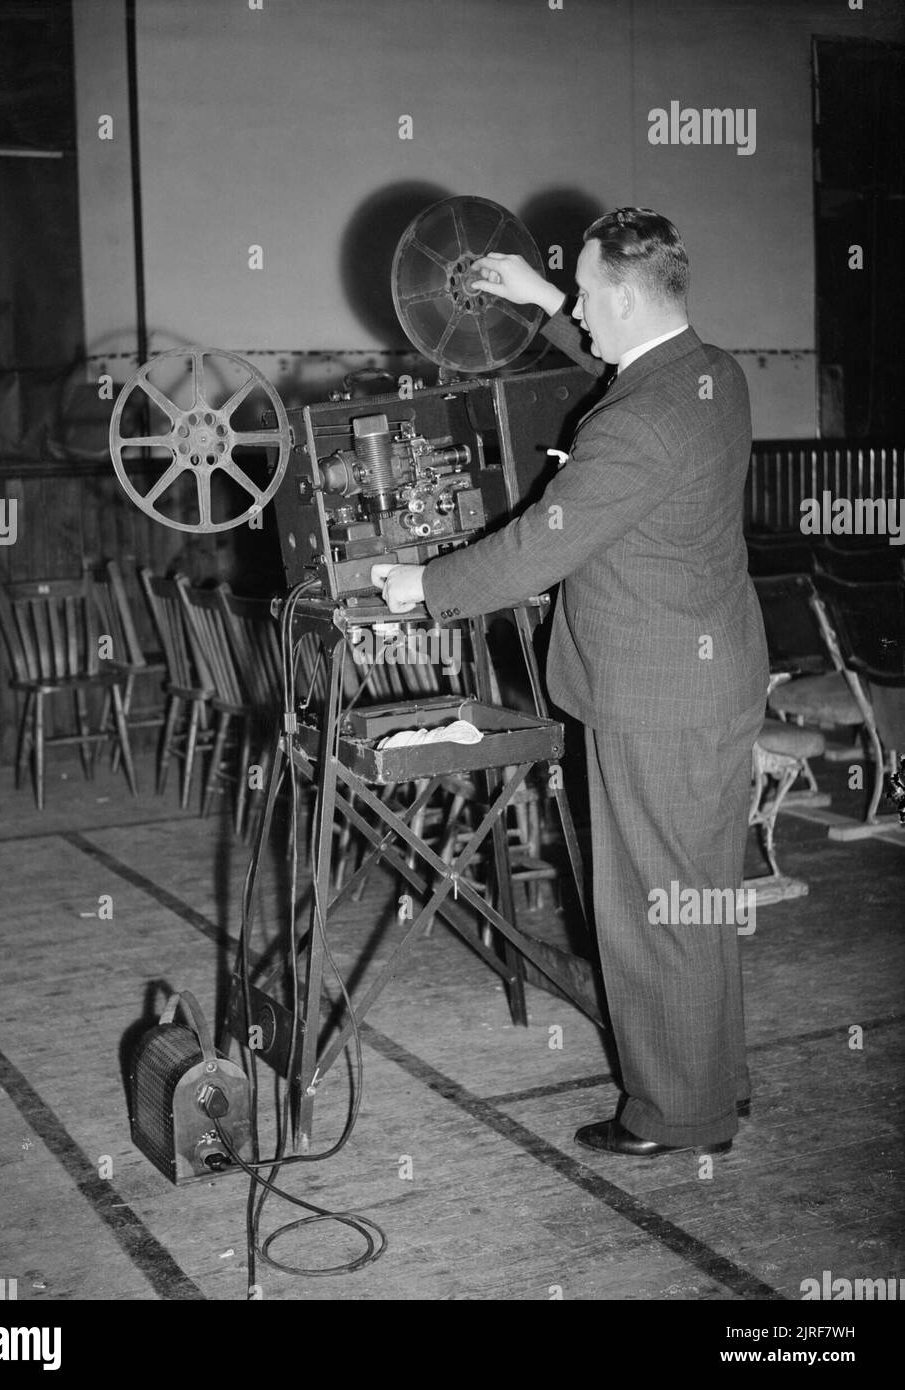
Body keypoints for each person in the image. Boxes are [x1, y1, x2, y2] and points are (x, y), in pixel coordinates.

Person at [372, 207, 769, 1157]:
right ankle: (714, 1085)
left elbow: (533, 553)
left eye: (589, 295)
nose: (580, 313)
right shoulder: (714, 374)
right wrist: (545, 298)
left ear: (628, 295)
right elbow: (626, 370)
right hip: (708, 683)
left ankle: (678, 1118)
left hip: (653, 697)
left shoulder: (638, 425)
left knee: (646, 914)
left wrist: (420, 585)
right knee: (698, 901)